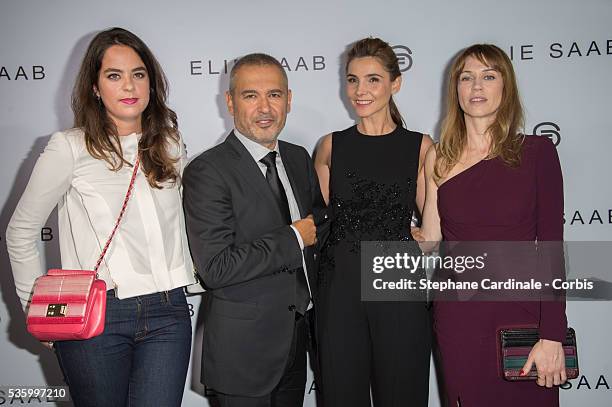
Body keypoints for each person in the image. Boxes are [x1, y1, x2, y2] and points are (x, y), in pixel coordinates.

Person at [5, 27, 195, 407]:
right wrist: (35, 308)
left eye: (138, 74)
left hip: (169, 313)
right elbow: (21, 230)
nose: (129, 85)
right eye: (114, 75)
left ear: (152, 82)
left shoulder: (169, 143)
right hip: (99, 315)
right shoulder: (70, 147)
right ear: (95, 86)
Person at [418, 44, 568, 406]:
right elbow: (431, 237)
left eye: (488, 76)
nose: (476, 87)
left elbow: (551, 244)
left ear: (506, 86)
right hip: (460, 316)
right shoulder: (438, 157)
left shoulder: (537, 152)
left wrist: (552, 335)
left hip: (521, 311)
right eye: (466, 78)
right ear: (456, 89)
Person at [182, 53, 327, 407]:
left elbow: (320, 230)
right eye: (251, 96)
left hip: (296, 342)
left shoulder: (297, 157)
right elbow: (216, 268)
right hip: (242, 353)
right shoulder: (208, 171)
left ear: (289, 100)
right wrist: (293, 238)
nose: (265, 108)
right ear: (230, 102)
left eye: (274, 95)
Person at [313, 37, 433, 407]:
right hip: (339, 288)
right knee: (340, 395)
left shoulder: (422, 146)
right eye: (352, 80)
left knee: (403, 393)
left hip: (397, 283)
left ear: (395, 83)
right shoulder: (330, 146)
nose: (360, 91)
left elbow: (433, 231)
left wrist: (417, 239)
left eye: (373, 80)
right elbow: (319, 225)